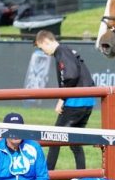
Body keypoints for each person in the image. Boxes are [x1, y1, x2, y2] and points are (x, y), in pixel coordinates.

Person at [34, 30, 95, 170]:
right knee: (75, 142)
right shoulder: (67, 50)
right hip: (88, 102)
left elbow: (71, 75)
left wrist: (62, 98)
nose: (42, 51)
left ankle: (46, 177)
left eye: (41, 47)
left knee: (55, 138)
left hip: (76, 102)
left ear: (45, 42)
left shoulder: (61, 51)